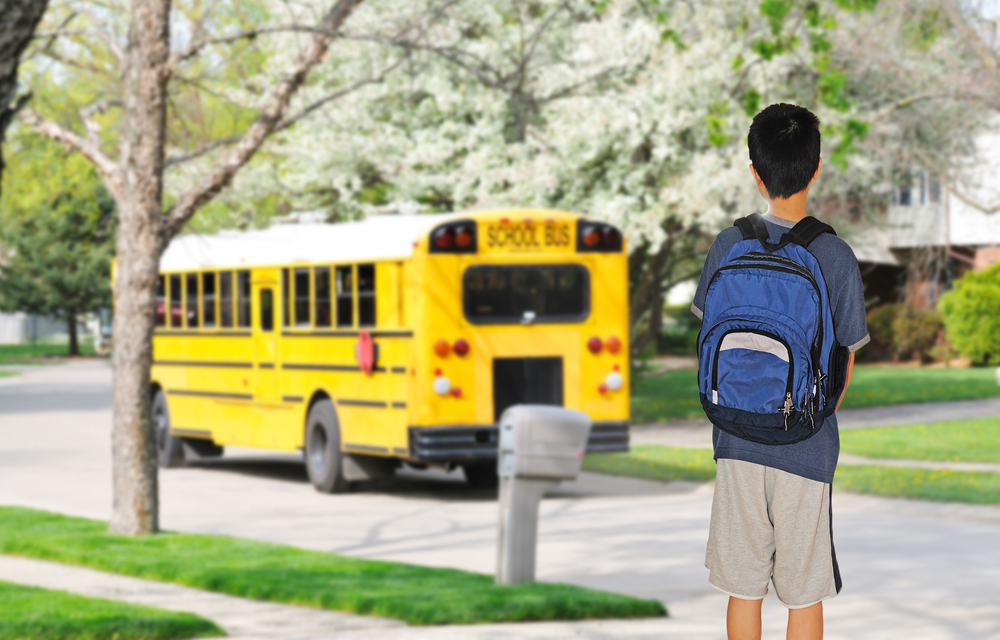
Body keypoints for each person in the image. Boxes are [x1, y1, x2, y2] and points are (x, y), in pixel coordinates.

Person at [690, 103, 870, 640]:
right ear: (816, 169)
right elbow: (844, 366)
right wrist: (808, 415)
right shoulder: (833, 254)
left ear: (755, 171)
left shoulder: (729, 243)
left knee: (743, 588)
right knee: (802, 591)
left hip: (735, 441)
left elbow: (709, 339)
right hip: (806, 448)